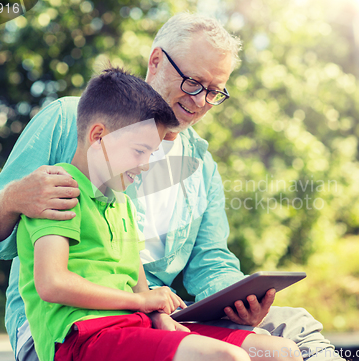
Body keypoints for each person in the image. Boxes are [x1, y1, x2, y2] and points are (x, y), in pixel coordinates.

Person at [0, 13, 344, 361]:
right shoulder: (72, 118)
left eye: (214, 92)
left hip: (159, 315)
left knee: (293, 329)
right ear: (156, 61)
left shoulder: (200, 165)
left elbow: (210, 261)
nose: (200, 102)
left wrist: (241, 301)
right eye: (193, 82)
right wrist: (14, 199)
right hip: (74, 323)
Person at [16, 67, 303, 361]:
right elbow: (52, 283)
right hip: (81, 337)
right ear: (99, 136)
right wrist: (139, 301)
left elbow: (141, 287)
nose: (144, 165)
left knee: (281, 352)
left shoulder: (123, 205)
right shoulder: (57, 190)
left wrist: (159, 317)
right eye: (139, 151)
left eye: (150, 154)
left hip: (134, 326)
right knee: (228, 357)